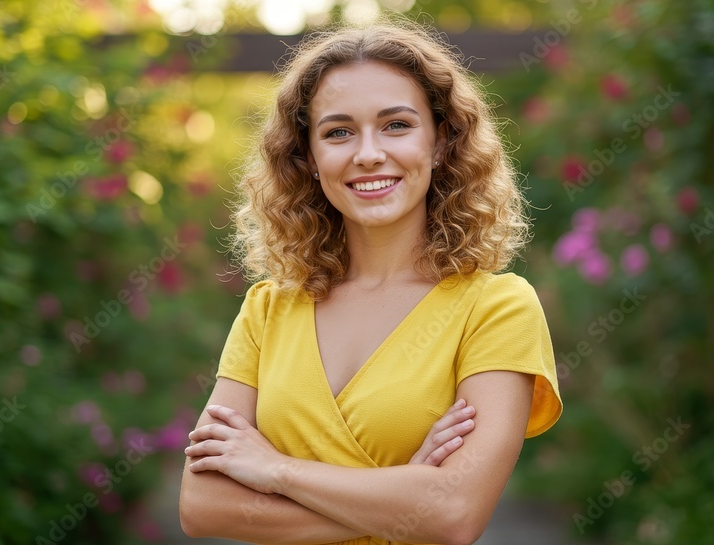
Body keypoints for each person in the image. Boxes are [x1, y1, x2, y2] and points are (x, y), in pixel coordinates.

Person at [178, 16, 562, 545]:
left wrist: (276, 471)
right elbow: (203, 506)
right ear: (309, 158)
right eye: (338, 132)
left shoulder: (497, 308)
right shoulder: (268, 309)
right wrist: (401, 497)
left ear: (442, 141)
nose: (368, 154)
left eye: (396, 125)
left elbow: (453, 515)